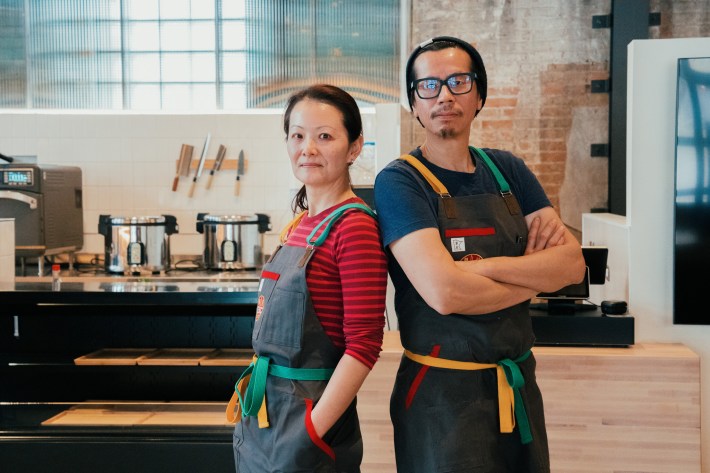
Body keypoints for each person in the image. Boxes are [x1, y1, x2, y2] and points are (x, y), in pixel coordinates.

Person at [373, 36, 586, 472]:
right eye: (428, 85)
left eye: (458, 81)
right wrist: (530, 277)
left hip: (518, 384)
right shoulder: (400, 183)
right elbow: (444, 294)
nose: (444, 95)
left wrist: (484, 270)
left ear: (480, 95)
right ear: (414, 103)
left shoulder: (508, 170)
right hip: (441, 399)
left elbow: (571, 266)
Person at [227, 84, 388, 473]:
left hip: (310, 423)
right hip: (266, 417)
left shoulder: (354, 227)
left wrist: (310, 433)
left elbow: (364, 346)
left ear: (354, 148)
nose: (308, 148)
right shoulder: (299, 225)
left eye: (325, 136)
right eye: (298, 136)